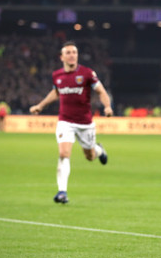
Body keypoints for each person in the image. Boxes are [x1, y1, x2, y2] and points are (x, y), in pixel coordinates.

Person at [29, 41, 113, 204]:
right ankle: (62, 192)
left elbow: (101, 91)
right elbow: (56, 93)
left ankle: (99, 151)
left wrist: (108, 106)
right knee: (63, 153)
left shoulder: (87, 73)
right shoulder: (57, 76)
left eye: (74, 52)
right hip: (65, 121)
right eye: (68, 52)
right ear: (62, 57)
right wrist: (40, 106)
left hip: (85, 123)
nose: (72, 55)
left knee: (89, 156)